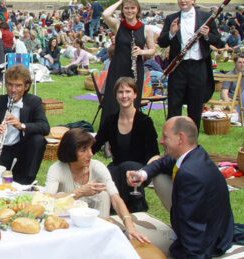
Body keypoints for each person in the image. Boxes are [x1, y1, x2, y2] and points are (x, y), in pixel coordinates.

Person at [126, 117, 233, 258]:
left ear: (180, 138)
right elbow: (163, 163)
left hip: (208, 240)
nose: (161, 141)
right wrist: (143, 174)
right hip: (216, 228)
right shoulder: (195, 154)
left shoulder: (189, 175)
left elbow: (193, 228)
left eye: (165, 137)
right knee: (159, 175)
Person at [44, 129, 150, 243]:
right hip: (66, 226)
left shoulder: (97, 167)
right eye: (84, 150)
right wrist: (80, 192)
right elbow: (47, 199)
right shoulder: (57, 169)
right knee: (60, 196)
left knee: (103, 195)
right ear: (70, 152)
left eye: (90, 148)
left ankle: (102, 235)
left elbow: (115, 198)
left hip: (94, 224)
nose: (90, 154)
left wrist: (130, 227)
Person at [157, 0, 223, 129]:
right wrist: (171, 33)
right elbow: (161, 42)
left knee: (195, 106)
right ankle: (172, 141)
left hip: (198, 67)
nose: (183, 1)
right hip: (178, 68)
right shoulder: (171, 18)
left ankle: (192, 143)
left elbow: (218, 41)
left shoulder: (206, 17)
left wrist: (206, 35)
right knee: (174, 105)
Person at [0, 65, 50, 184]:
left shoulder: (34, 101)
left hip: (21, 152)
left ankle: (27, 181)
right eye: (10, 84)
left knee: (38, 139)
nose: (13, 90)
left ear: (26, 86)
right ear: (5, 84)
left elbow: (45, 127)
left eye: (18, 85)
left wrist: (21, 125)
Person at [92, 77, 160, 212]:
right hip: (117, 167)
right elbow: (94, 145)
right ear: (116, 95)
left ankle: (135, 210)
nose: (124, 96)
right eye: (120, 92)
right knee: (109, 172)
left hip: (140, 170)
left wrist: (145, 172)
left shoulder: (145, 122)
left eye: (128, 92)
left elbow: (155, 155)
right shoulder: (110, 121)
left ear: (135, 95)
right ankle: (114, 212)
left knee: (126, 168)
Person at [101, 0, 156, 121]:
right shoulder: (118, 25)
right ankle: (109, 131)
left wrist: (142, 51)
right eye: (126, 8)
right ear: (122, 10)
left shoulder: (146, 29)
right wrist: (120, 1)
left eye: (132, 8)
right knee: (112, 101)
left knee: (132, 101)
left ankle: (130, 129)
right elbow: (105, 14)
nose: (129, 11)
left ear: (137, 10)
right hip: (117, 68)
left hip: (135, 70)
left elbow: (153, 51)